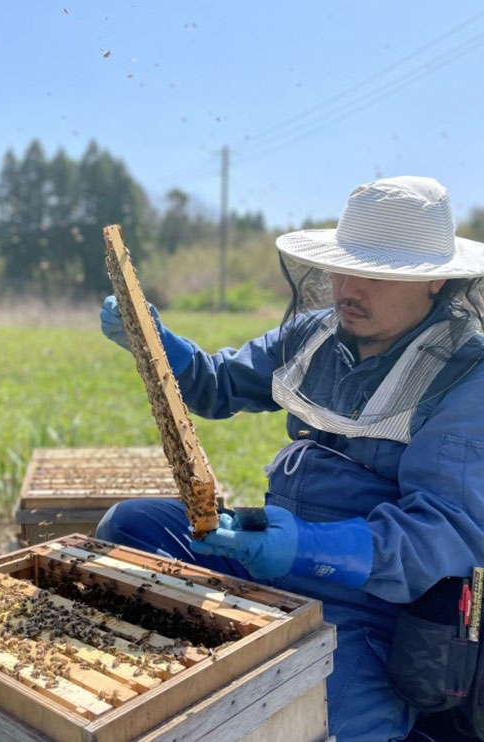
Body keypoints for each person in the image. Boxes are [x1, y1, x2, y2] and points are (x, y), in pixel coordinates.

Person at [98, 176, 484, 742]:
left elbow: (441, 532)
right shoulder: (316, 333)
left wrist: (306, 548)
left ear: (434, 281)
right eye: (344, 265)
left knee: (305, 717)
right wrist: (153, 338)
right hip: (274, 553)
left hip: (371, 603)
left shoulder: (466, 380)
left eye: (375, 274)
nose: (348, 288)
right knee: (131, 528)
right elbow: (215, 384)